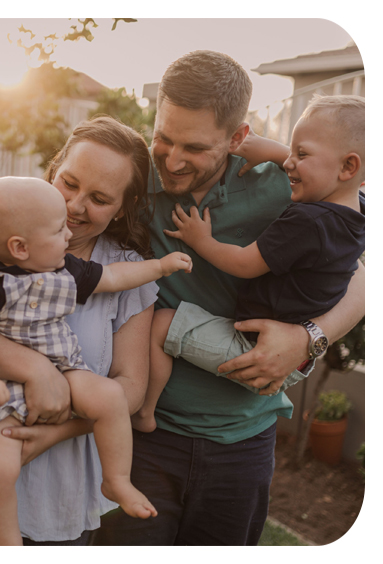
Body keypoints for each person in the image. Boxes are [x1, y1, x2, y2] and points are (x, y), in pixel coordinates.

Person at [92, 51, 365, 546]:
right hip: (140, 438)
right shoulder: (131, 180)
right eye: (163, 138)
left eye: (194, 147)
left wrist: (311, 338)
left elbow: (362, 269)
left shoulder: (288, 190)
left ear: (237, 139)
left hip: (242, 442)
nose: (172, 160)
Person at [0, 116, 166, 545]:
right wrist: (36, 370)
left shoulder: (124, 271)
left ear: (123, 205)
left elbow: (131, 387)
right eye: (69, 183)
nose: (75, 206)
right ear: (54, 169)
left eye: (100, 198)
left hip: (59, 488)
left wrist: (55, 432)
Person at [131, 94, 365, 434]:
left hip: (258, 352)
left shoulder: (306, 221)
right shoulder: (355, 211)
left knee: (161, 324)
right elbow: (325, 165)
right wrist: (278, 151)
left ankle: (143, 411)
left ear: (348, 167)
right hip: (291, 354)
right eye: (164, 139)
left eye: (300, 155)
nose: (288, 162)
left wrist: (201, 241)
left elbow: (245, 263)